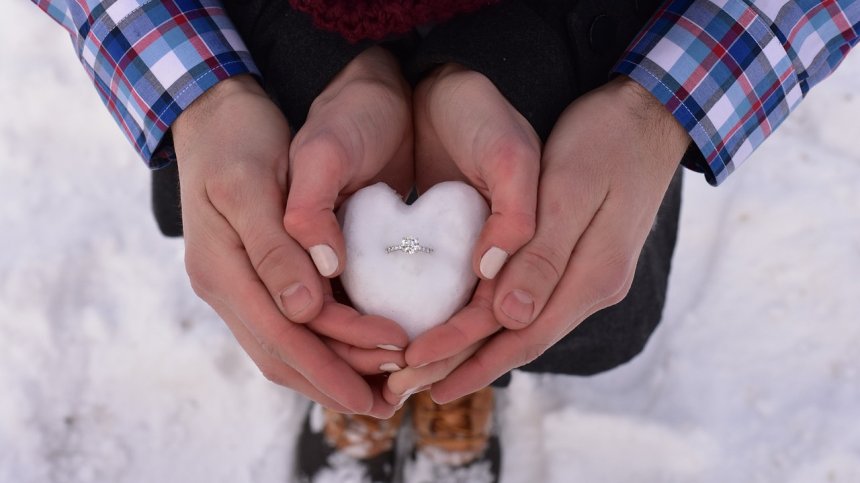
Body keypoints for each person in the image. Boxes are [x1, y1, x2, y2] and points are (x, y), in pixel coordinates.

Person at [31, 0, 859, 481]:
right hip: (276, 19)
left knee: (553, 277)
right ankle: (368, 369)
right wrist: (199, 87)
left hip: (566, 27)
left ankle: (454, 375)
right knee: (291, 227)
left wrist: (659, 105)